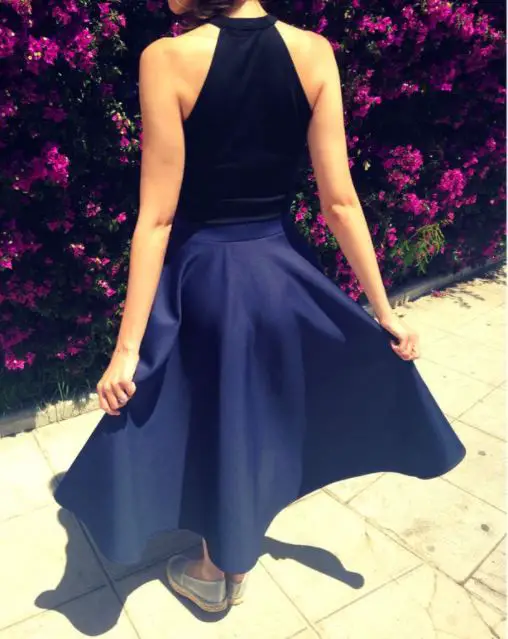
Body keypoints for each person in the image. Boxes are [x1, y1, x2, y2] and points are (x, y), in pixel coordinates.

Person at [54, 0, 466, 614]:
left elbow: (158, 217)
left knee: (217, 417)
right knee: (250, 420)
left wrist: (127, 350)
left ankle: (214, 572)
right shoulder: (315, 52)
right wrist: (383, 310)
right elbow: (340, 202)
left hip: (205, 279)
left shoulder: (167, 58)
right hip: (282, 274)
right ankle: (227, 561)